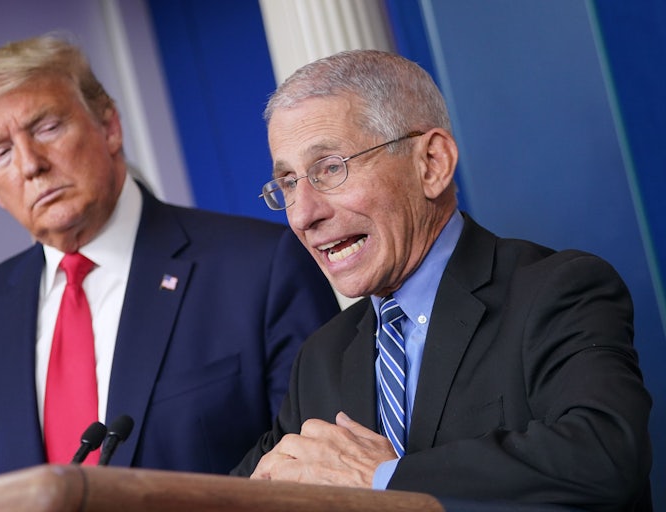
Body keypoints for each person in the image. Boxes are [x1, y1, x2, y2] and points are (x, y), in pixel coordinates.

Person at [232, 50, 652, 511]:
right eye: (288, 183)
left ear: (431, 163)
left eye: (330, 168)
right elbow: (237, 493)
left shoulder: (558, 290)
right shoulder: (321, 357)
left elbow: (604, 458)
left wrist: (383, 479)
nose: (304, 214)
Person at [0, 34, 340, 489]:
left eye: (46, 128)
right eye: (1, 153)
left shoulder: (259, 269)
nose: (31, 164)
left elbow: (321, 471)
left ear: (108, 126)